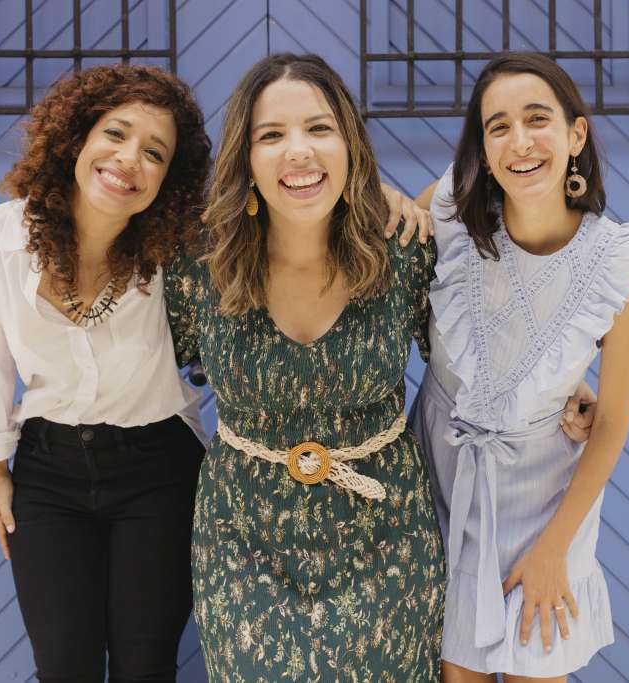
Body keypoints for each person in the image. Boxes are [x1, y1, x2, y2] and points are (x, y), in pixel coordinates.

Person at [163, 53, 447, 680]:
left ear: (350, 146)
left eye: (320, 128)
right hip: (242, 540)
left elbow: (475, 357)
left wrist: (567, 391)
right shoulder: (198, 262)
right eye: (271, 135)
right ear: (245, 158)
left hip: (388, 535)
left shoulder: (405, 251)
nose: (299, 150)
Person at [0, 63, 213, 682]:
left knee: (145, 667)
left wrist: (391, 200)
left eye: (154, 153)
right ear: (77, 137)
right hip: (49, 474)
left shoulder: (179, 252)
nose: (129, 159)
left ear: (167, 178)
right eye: (115, 134)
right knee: (64, 666)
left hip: (160, 470)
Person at [408, 53, 629, 682]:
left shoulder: (618, 261)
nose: (519, 141)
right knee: (455, 673)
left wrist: (555, 548)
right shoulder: (448, 211)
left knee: (535, 665)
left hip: (549, 498)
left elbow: (612, 423)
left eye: (537, 118)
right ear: (484, 148)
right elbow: (384, 265)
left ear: (576, 135)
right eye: (498, 126)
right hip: (443, 479)